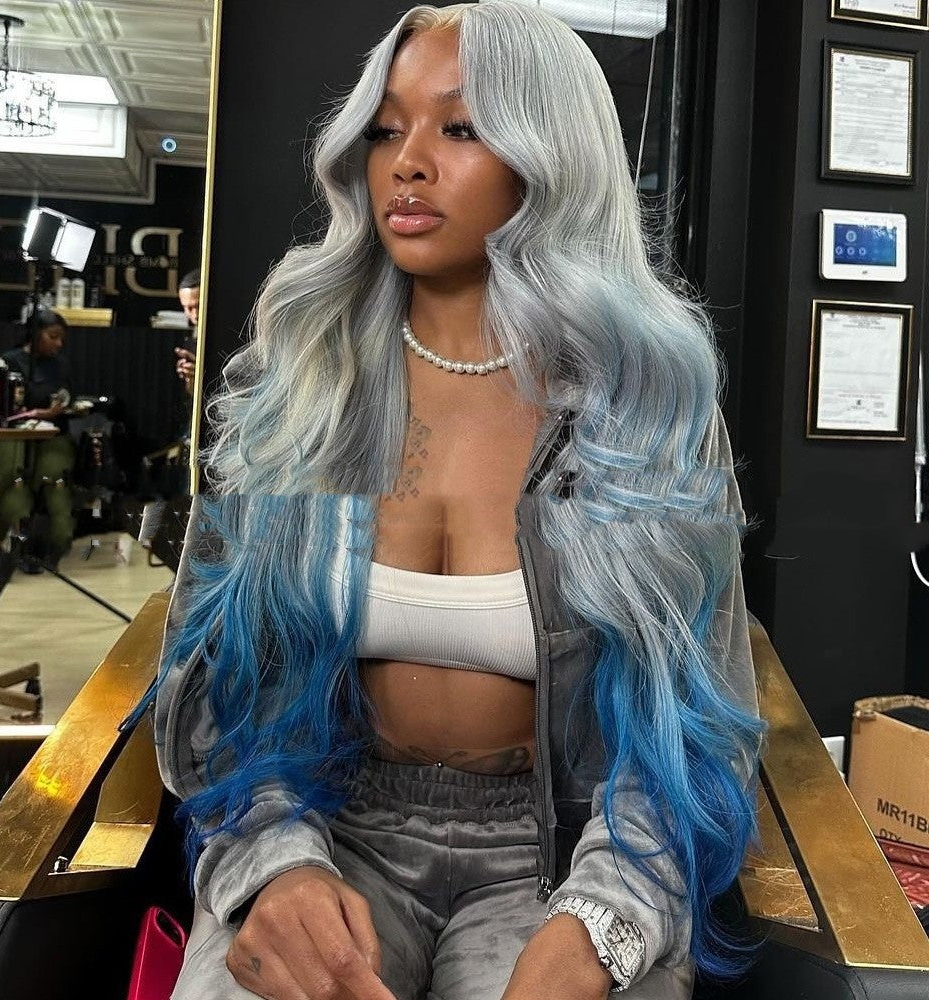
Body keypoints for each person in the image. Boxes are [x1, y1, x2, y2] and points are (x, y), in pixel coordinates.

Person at [149, 5, 765, 1000]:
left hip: (564, 851)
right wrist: (275, 868)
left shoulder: (647, 417)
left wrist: (598, 926)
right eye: (386, 128)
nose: (407, 163)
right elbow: (214, 686)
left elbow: (693, 725)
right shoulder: (299, 390)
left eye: (461, 127)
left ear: (550, 156)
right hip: (332, 827)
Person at [0, 309, 75, 575]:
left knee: (53, 474)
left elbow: (68, 394)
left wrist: (60, 405)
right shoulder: (7, 362)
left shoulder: (59, 364)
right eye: (53, 336)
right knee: (11, 474)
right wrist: (36, 411)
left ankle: (33, 546)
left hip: (50, 433)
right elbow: (6, 405)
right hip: (12, 431)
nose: (59, 343)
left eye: (61, 338)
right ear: (34, 334)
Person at [175, 268, 200, 396]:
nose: (195, 315)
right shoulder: (191, 340)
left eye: (199, 306)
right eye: (189, 308)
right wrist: (190, 378)